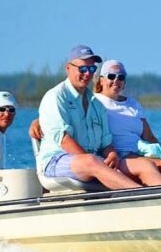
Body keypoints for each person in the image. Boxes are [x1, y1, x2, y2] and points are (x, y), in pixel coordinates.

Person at [36, 45, 141, 190]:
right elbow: (64, 140)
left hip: (91, 160)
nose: (87, 74)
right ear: (68, 68)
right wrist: (94, 162)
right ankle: (139, 194)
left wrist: (111, 154)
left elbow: (106, 142)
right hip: (56, 161)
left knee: (135, 164)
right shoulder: (55, 97)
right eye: (82, 69)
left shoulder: (96, 104)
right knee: (92, 161)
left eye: (92, 69)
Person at [93, 59, 161, 184]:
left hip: (142, 151)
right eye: (111, 76)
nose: (116, 81)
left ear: (124, 83)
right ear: (101, 80)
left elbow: (149, 136)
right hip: (123, 155)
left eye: (121, 77)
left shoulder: (132, 104)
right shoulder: (96, 102)